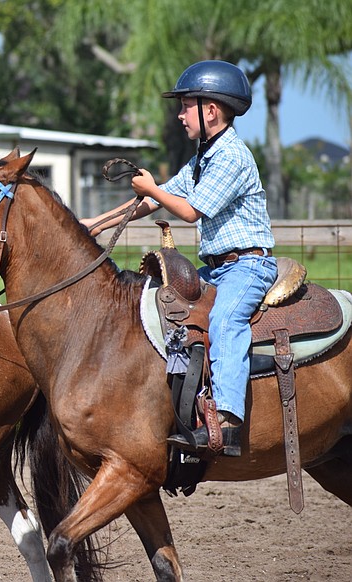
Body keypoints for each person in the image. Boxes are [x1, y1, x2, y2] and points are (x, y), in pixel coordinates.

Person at [81, 60, 277, 457]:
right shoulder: (203, 158)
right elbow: (154, 201)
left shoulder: (232, 157)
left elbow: (189, 211)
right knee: (164, 306)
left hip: (249, 266)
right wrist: (98, 223)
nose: (180, 113)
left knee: (225, 319)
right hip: (220, 267)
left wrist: (152, 188)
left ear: (211, 110)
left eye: (186, 105)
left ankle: (227, 419)